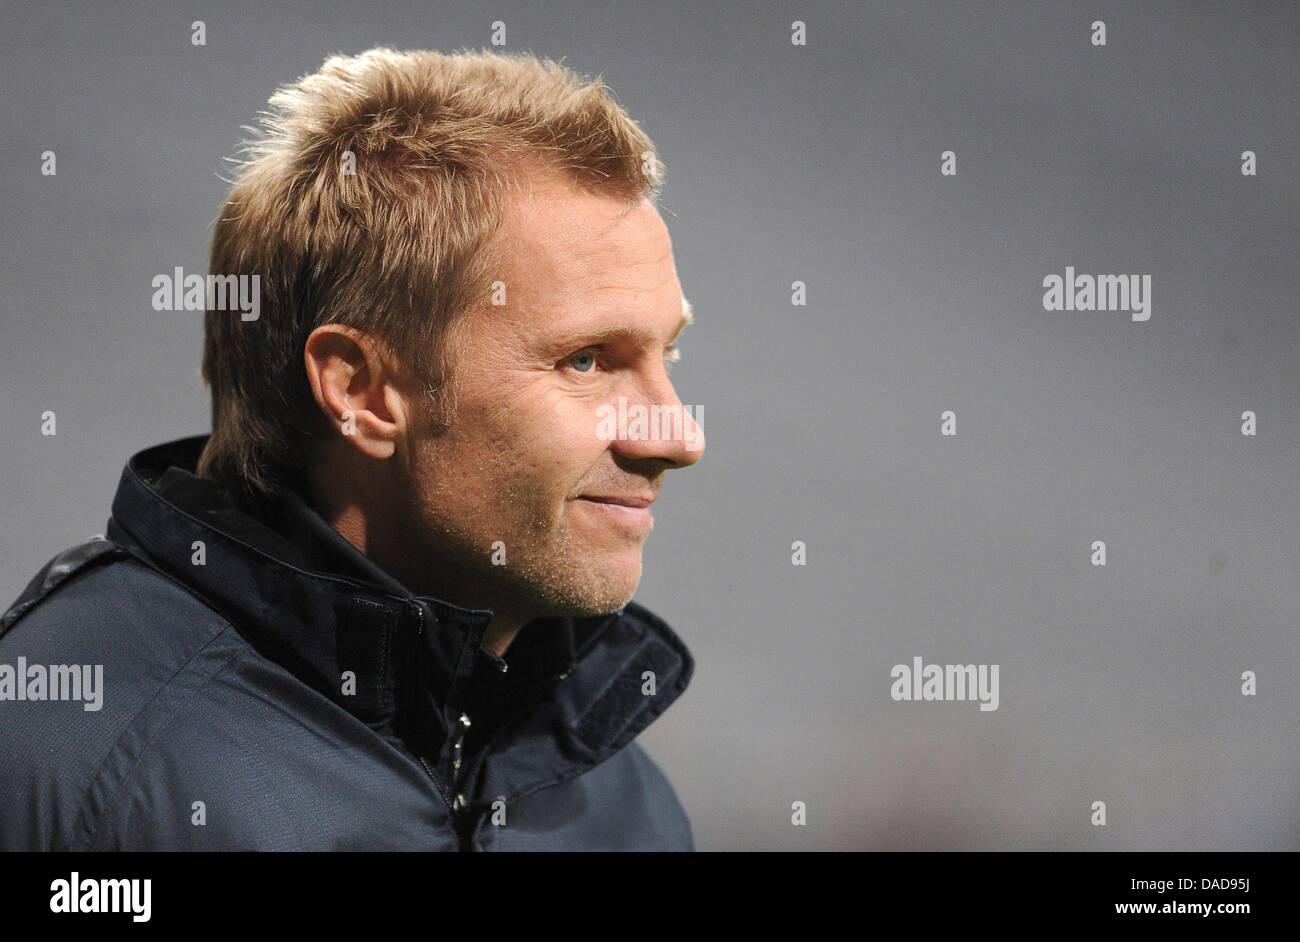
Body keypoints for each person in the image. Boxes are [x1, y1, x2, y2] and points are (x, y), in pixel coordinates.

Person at [0, 47, 705, 851]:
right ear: (362, 393)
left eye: (667, 355)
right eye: (586, 360)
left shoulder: (623, 805)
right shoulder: (68, 771)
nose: (679, 437)